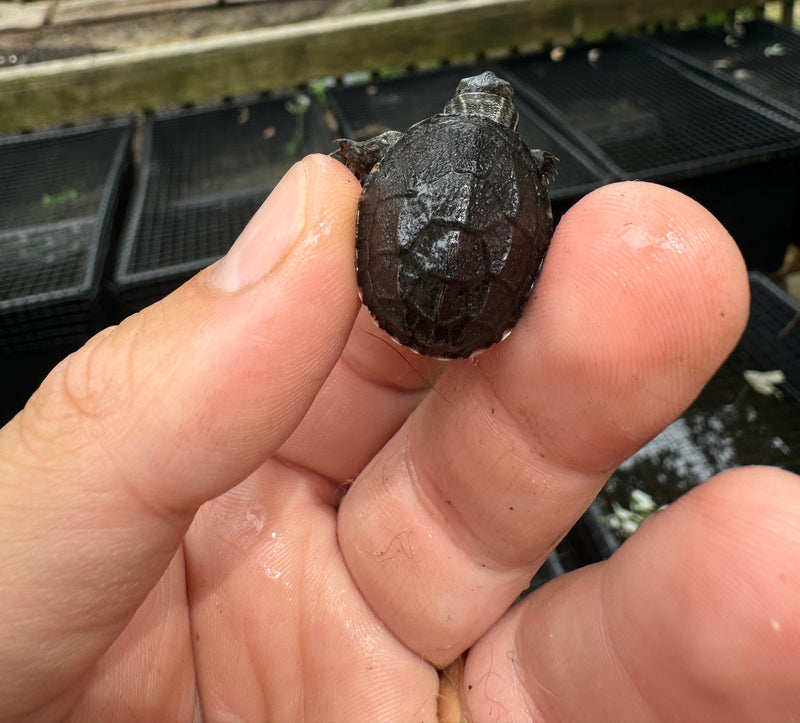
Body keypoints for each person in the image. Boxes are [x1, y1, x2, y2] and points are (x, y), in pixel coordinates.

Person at [0, 154, 798, 722]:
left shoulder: (409, 149)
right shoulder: (530, 165)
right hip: (476, 312)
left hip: (402, 285)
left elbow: (370, 164)